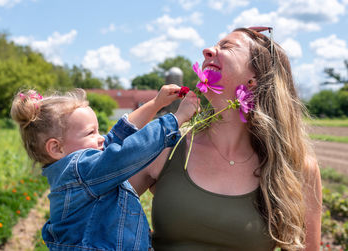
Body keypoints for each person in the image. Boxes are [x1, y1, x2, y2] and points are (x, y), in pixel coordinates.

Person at [129, 27, 322, 251]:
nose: (207, 50)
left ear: (254, 80)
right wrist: (154, 105)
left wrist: (259, 46)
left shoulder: (297, 168)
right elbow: (97, 185)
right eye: (214, 46)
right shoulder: (168, 147)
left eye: (226, 47)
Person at [10, 85, 199, 251]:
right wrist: (176, 118)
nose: (101, 137)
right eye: (91, 132)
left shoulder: (79, 168)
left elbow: (116, 138)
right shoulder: (80, 169)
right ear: (56, 148)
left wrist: (156, 103)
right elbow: (126, 153)